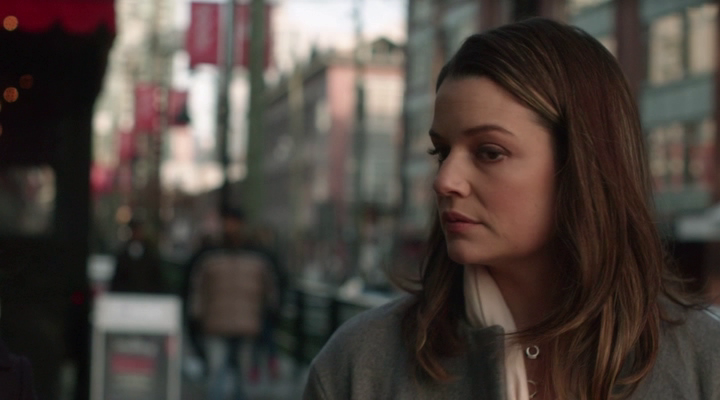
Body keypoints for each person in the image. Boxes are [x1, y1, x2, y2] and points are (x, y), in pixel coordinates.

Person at [303, 18, 720, 400]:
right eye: (441, 152)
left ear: (582, 165)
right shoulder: (360, 365)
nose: (445, 180)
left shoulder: (702, 365)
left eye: (489, 152)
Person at [186, 207, 278, 400]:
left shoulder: (253, 254)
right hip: (222, 324)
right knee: (220, 375)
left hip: (243, 324)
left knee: (238, 377)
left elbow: (270, 290)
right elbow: (197, 290)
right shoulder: (211, 255)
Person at [110, 218, 164, 293]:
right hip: (127, 295)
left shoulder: (151, 254)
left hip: (147, 295)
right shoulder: (123, 255)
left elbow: (157, 279)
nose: (137, 233)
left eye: (139, 230)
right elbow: (117, 280)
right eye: (135, 230)